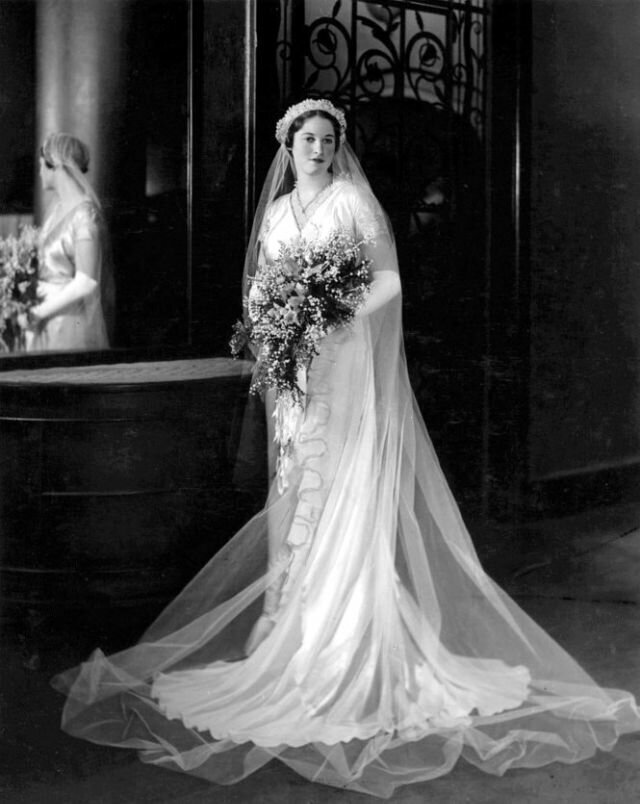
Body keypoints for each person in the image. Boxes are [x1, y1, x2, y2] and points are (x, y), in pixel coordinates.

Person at [52, 99, 640, 799]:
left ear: (337, 149)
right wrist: (278, 328)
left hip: (345, 369)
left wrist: (331, 317)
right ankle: (293, 632)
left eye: (328, 140)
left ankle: (348, 641)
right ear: (288, 143)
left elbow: (389, 281)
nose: (318, 149)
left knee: (342, 487)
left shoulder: (353, 204)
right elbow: (263, 288)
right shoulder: (274, 215)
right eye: (307, 138)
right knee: (294, 488)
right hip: (293, 377)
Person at [27, 132, 112, 351]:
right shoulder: (57, 209)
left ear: (55, 165)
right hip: (46, 317)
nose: (39, 172)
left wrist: (38, 313)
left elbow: (87, 282)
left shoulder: (85, 215)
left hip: (67, 321)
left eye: (41, 166)